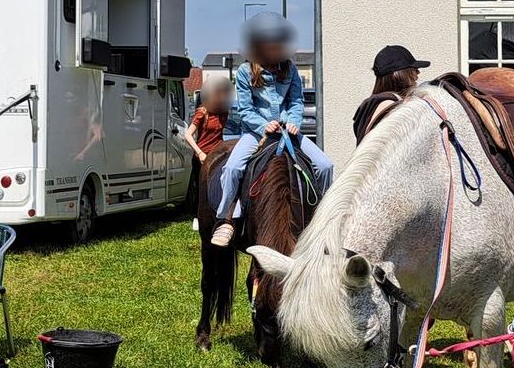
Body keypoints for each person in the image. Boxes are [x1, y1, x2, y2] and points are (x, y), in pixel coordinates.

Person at [210, 13, 334, 248]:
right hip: (257, 133)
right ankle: (226, 219)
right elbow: (245, 109)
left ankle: (324, 219)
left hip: (288, 132)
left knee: (326, 165)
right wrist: (263, 125)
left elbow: (296, 101)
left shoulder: (290, 69)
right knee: (234, 166)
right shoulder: (247, 72)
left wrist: (293, 119)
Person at [183, 77, 233, 229]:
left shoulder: (224, 112)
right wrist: (199, 153)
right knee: (201, 186)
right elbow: (188, 135)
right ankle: (197, 216)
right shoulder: (202, 113)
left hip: (218, 153)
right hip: (203, 154)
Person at [352, 45, 429, 143]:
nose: (418, 72)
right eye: (413, 69)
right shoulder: (389, 105)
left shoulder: (375, 103)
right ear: (398, 74)